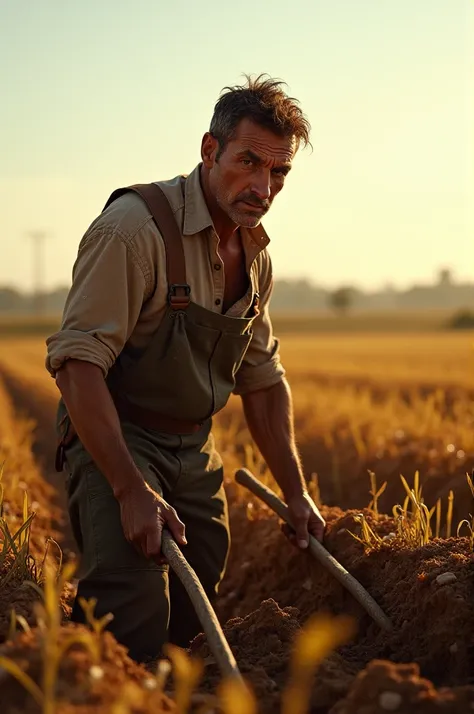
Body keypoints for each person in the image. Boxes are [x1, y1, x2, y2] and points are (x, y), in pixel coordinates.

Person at [45, 74, 326, 664]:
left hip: (194, 447)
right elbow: (76, 365)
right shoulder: (133, 230)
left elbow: (263, 380)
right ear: (209, 150)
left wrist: (296, 492)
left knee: (197, 610)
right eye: (248, 162)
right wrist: (128, 488)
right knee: (136, 606)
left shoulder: (255, 256)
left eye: (278, 173)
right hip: (115, 438)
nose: (263, 186)